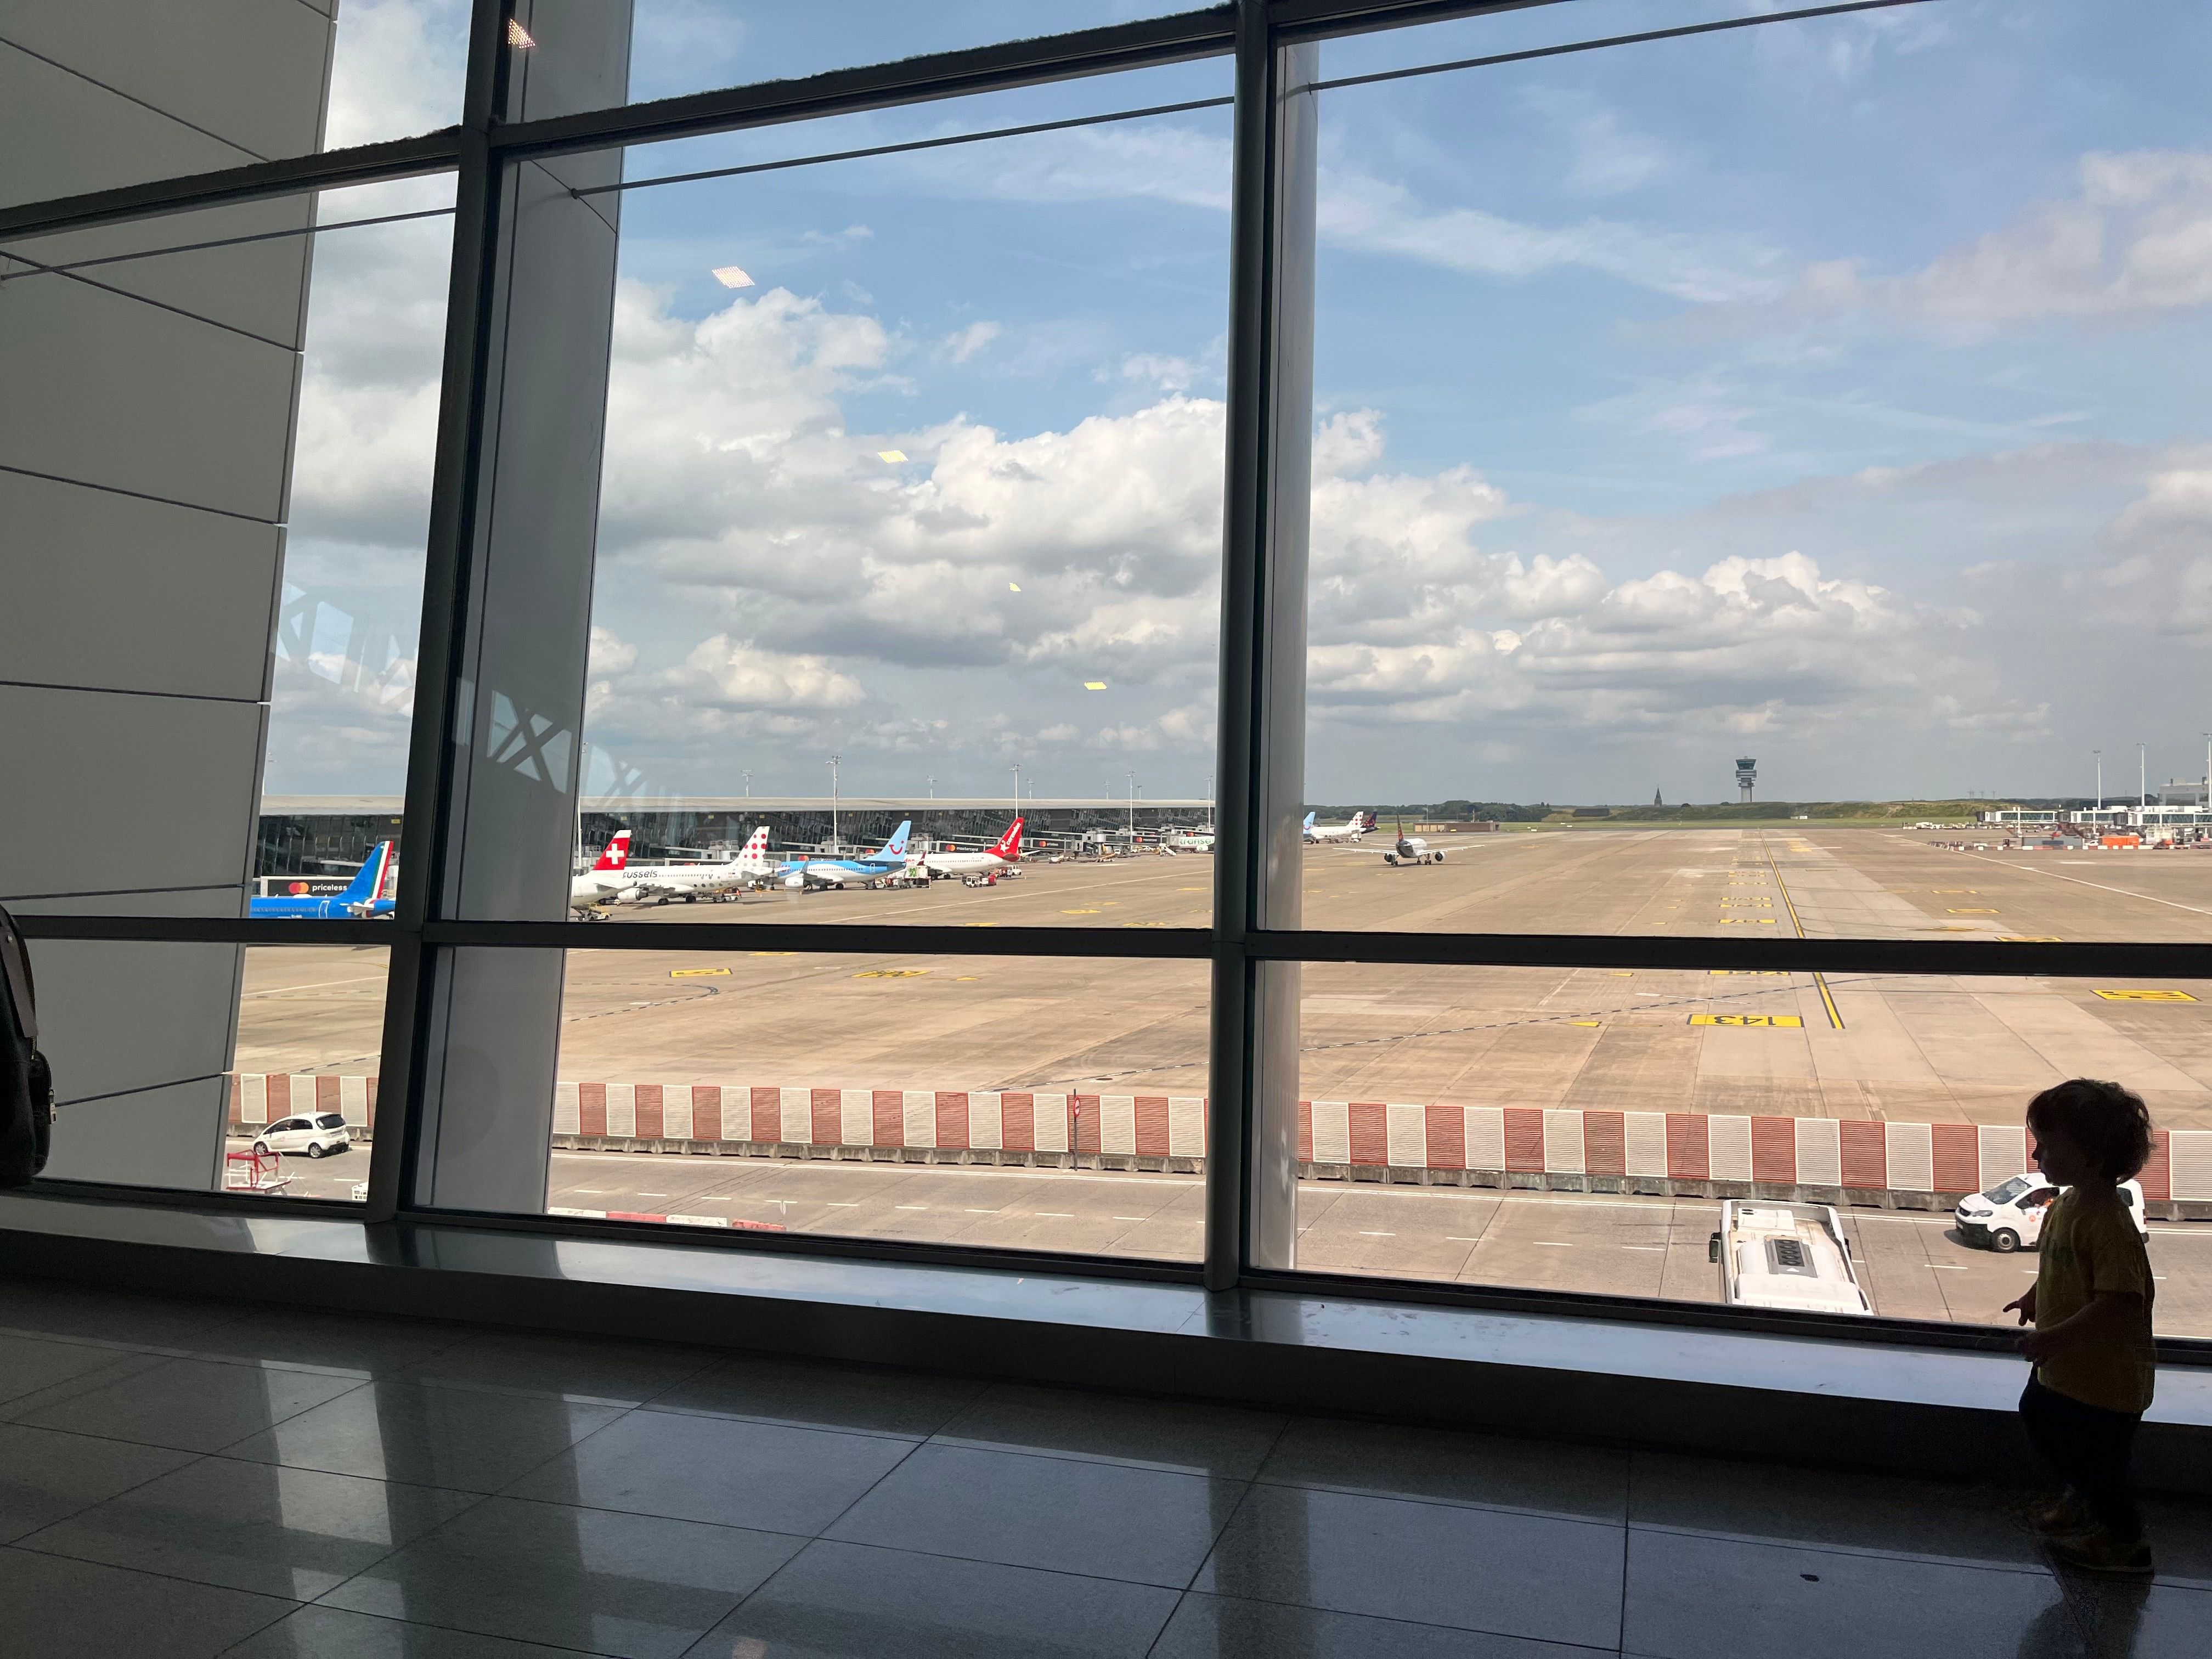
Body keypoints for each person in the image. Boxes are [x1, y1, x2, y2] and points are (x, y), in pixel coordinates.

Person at [2002, 1077, 2157, 1576]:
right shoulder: (2065, 1206)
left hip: (2103, 1380)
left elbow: (2120, 1305)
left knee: (2102, 1464)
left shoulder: (2109, 1222)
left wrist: (2055, 1336)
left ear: (2089, 1156)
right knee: (2043, 1419)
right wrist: (2035, 1297)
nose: (2036, 1153)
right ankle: (2079, 1502)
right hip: (2067, 1368)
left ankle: (2124, 1542)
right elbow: (2061, 1266)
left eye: (2047, 1145)